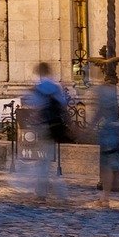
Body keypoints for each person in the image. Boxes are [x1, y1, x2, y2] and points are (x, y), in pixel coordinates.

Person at [23, 62, 69, 204]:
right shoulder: (55, 87)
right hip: (54, 127)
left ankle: (47, 193)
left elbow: (35, 108)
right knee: (47, 161)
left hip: (43, 128)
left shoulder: (38, 88)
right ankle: (57, 193)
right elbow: (63, 106)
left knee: (42, 162)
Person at [93, 79, 119, 208]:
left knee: (115, 174)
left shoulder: (105, 106)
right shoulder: (113, 105)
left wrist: (84, 131)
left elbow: (96, 117)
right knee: (110, 171)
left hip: (110, 140)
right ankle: (104, 199)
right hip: (114, 139)